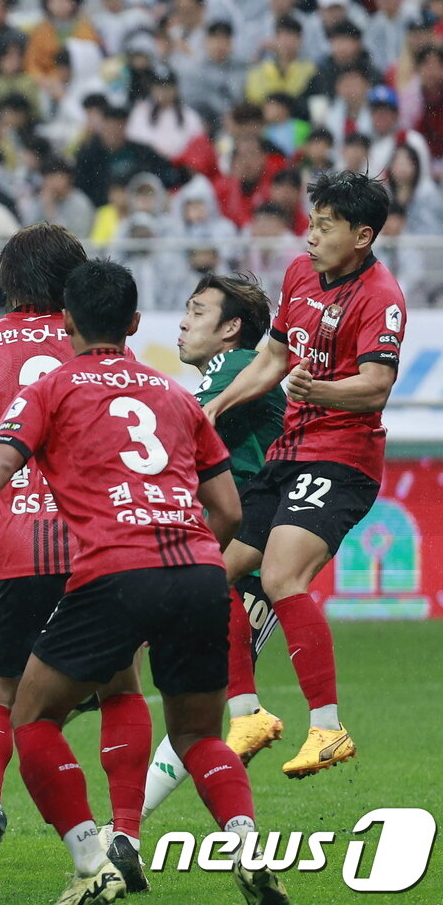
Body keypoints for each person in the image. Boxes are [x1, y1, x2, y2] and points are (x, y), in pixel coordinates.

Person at [0, 259, 290, 905]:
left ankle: (94, 859)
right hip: (196, 570)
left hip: (114, 570)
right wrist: (187, 555)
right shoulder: (171, 394)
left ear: (68, 322)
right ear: (136, 323)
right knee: (196, 732)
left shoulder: (54, 387)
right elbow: (226, 510)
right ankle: (249, 846)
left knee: (30, 715)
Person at [0, 223, 154, 895]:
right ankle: (126, 831)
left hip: (16, 548)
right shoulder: (100, 343)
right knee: (121, 688)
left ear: (7, 281)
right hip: (101, 544)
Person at [203, 171, 405, 777]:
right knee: (216, 575)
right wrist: (216, 406)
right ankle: (248, 714)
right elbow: (273, 357)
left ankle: (327, 727)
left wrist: (323, 390)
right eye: (311, 222)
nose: (310, 234)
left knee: (283, 574)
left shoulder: (381, 297)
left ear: (362, 236)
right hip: (289, 453)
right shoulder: (298, 274)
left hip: (342, 458)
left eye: (325, 225)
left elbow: (375, 388)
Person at [140, 273, 285, 822]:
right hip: (223, 550)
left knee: (201, 700)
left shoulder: (236, 366)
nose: (183, 321)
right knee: (199, 700)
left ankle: (121, 828)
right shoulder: (222, 378)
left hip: (247, 555)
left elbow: (165, 430)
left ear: (231, 329)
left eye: (198, 311)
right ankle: (125, 828)